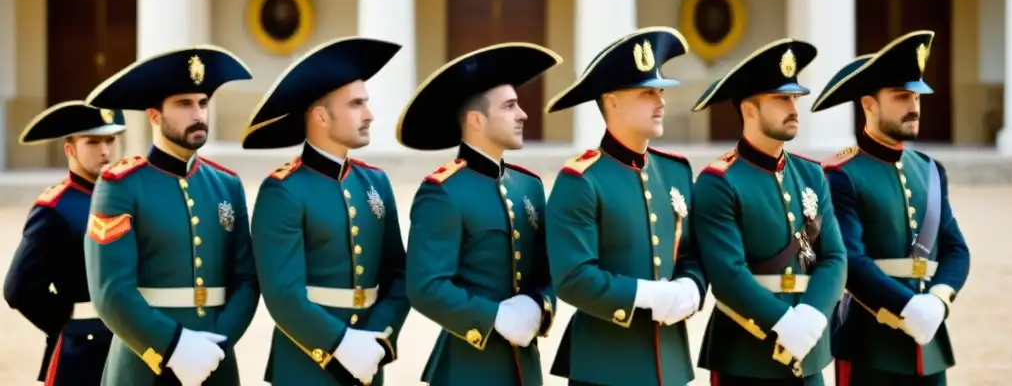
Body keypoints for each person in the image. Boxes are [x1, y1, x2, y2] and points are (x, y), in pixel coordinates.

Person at [83, 46, 260, 386]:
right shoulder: (119, 185)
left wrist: (216, 344)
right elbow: (111, 292)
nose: (198, 114)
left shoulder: (227, 185)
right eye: (184, 104)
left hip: (215, 361)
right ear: (153, 115)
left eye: (203, 103)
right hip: (144, 364)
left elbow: (247, 280)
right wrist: (174, 347)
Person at [243, 36, 410, 386]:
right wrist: (342, 344)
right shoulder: (283, 190)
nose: (370, 114)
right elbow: (282, 294)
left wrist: (378, 339)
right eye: (356, 104)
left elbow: (399, 276)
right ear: (321, 116)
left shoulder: (375, 182)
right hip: (306, 366)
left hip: (370, 357)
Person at [544, 26, 706, 386]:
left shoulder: (676, 172)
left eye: (661, 92)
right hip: (605, 365)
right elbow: (572, 278)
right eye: (648, 93)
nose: (661, 102)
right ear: (612, 101)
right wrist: (647, 296)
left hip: (670, 364)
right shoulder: (581, 180)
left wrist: (692, 288)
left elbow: (693, 254)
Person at [811, 30, 970, 386]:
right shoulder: (840, 175)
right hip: (870, 341)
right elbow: (849, 259)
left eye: (916, 95)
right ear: (868, 104)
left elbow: (956, 247)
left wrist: (938, 301)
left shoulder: (930, 169)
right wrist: (908, 307)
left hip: (928, 345)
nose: (913, 105)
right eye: (901, 96)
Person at [401, 43, 562, 386]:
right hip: (467, 368)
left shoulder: (529, 186)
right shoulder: (443, 191)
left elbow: (549, 271)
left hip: (526, 368)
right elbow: (425, 286)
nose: (523, 114)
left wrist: (539, 304)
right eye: (509, 106)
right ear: (476, 120)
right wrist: (495, 317)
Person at [690, 38, 847, 386]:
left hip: (810, 349)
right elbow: (728, 276)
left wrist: (811, 315)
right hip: (748, 353)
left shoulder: (811, 174)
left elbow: (834, 256)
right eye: (781, 99)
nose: (793, 108)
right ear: (749, 110)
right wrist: (783, 322)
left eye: (794, 98)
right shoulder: (719, 182)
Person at [3, 101, 126, 385]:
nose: (105, 150)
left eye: (110, 140)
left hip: (134, 343)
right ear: (70, 149)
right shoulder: (55, 208)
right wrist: (67, 323)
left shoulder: (125, 196)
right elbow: (18, 288)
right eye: (93, 142)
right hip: (82, 350)